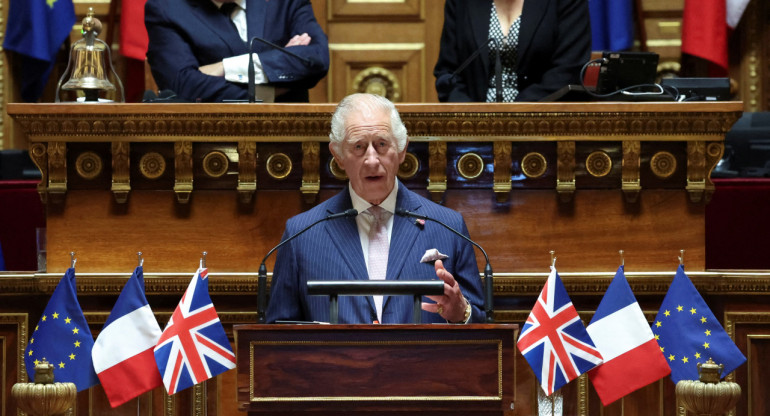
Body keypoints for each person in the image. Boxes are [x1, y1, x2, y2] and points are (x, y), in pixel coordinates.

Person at [265, 93, 485, 324]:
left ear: (402, 150)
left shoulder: (448, 227)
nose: (371, 160)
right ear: (338, 156)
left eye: (381, 144)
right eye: (358, 147)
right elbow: (279, 333)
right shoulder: (302, 233)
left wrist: (462, 313)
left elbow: (482, 326)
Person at [144, 0, 329, 103]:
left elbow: (315, 58)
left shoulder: (284, 2)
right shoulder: (166, 8)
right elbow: (182, 85)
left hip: (286, 136)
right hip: (209, 141)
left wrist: (225, 67)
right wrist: (271, 89)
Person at [434, 0, 591, 102]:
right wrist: (470, 115)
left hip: (543, 123)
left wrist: (512, 113)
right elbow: (448, 73)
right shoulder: (461, 3)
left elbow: (569, 70)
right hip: (473, 129)